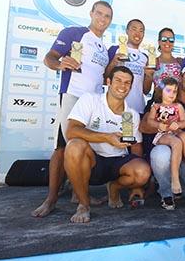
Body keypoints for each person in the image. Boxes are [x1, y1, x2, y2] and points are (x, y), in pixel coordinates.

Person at [32, 1, 113, 217]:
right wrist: (59, 65)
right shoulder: (74, 33)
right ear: (91, 13)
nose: (102, 19)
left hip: (93, 104)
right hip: (72, 96)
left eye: (107, 16)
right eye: (99, 13)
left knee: (83, 146)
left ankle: (79, 194)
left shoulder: (104, 48)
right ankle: (51, 199)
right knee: (61, 147)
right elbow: (49, 57)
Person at [64, 66, 150, 223]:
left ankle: (114, 188)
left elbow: (136, 145)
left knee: (142, 172)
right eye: (118, 80)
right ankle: (84, 204)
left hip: (118, 162)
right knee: (74, 146)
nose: (122, 86)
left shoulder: (130, 114)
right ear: (108, 82)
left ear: (131, 87)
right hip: (93, 161)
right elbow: (71, 131)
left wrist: (137, 185)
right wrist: (106, 137)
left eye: (127, 83)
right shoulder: (91, 99)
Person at [140, 65, 185, 210]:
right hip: (163, 146)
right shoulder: (159, 101)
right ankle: (166, 192)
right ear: (180, 78)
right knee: (162, 154)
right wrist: (162, 124)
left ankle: (178, 185)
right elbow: (143, 126)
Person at [146, 77, 185, 195]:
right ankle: (175, 179)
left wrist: (178, 124)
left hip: (175, 132)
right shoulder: (156, 106)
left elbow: (184, 122)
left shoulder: (178, 106)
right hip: (162, 134)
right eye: (168, 90)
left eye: (174, 91)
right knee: (176, 142)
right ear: (161, 91)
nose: (172, 94)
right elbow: (149, 121)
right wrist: (159, 124)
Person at [107, 19, 151, 115]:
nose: (137, 33)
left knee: (128, 130)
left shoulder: (145, 58)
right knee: (114, 131)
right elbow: (105, 78)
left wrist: (149, 76)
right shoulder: (115, 50)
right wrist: (114, 62)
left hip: (136, 109)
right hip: (114, 109)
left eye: (141, 31)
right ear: (127, 31)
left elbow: (146, 91)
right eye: (134, 29)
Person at [152, 27, 183, 101]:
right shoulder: (153, 61)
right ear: (159, 42)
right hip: (158, 101)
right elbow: (146, 90)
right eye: (164, 39)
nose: (167, 42)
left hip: (176, 102)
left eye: (171, 40)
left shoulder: (180, 62)